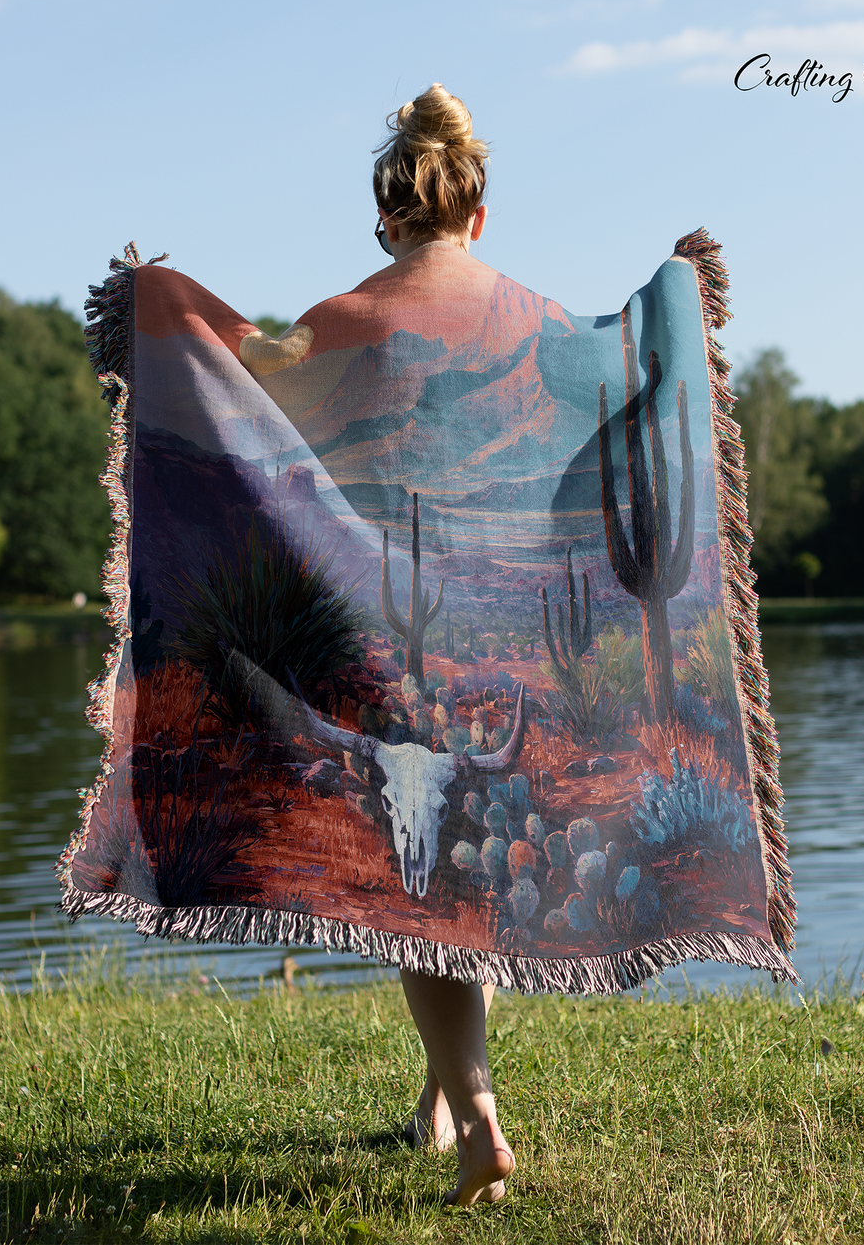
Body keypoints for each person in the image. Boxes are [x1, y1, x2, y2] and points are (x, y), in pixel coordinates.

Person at [368, 84, 514, 1209]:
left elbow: (248, 388)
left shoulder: (349, 315)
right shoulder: (528, 315)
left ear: (388, 217)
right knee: (467, 874)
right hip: (512, 641)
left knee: (419, 890)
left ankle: (478, 1120)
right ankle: (434, 1099)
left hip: (395, 636)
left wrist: (163, 311)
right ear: (475, 212)